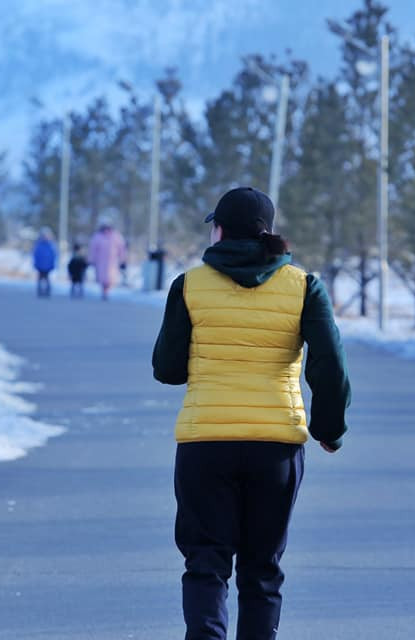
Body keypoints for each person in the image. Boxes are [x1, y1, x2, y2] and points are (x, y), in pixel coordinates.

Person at [151, 186, 351, 640]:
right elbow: (331, 364)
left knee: (206, 563)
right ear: (268, 231)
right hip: (276, 447)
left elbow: (166, 369)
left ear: (220, 230)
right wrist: (329, 429)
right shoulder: (304, 286)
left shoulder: (190, 285)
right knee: (262, 568)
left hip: (205, 445)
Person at [87, 216, 127, 300]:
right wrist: (91, 260)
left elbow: (121, 248)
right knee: (102, 277)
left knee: (110, 278)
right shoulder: (97, 236)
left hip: (112, 261)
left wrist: (122, 259)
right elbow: (93, 249)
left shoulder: (116, 236)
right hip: (100, 261)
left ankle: (106, 291)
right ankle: (104, 291)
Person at [32, 226, 57, 297]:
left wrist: (53, 264)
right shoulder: (39, 245)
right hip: (40, 266)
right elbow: (35, 255)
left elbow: (54, 256)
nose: (46, 237)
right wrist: (35, 264)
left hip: (48, 266)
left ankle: (47, 291)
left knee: (47, 279)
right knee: (40, 279)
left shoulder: (51, 246)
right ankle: (40, 291)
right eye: (44, 235)